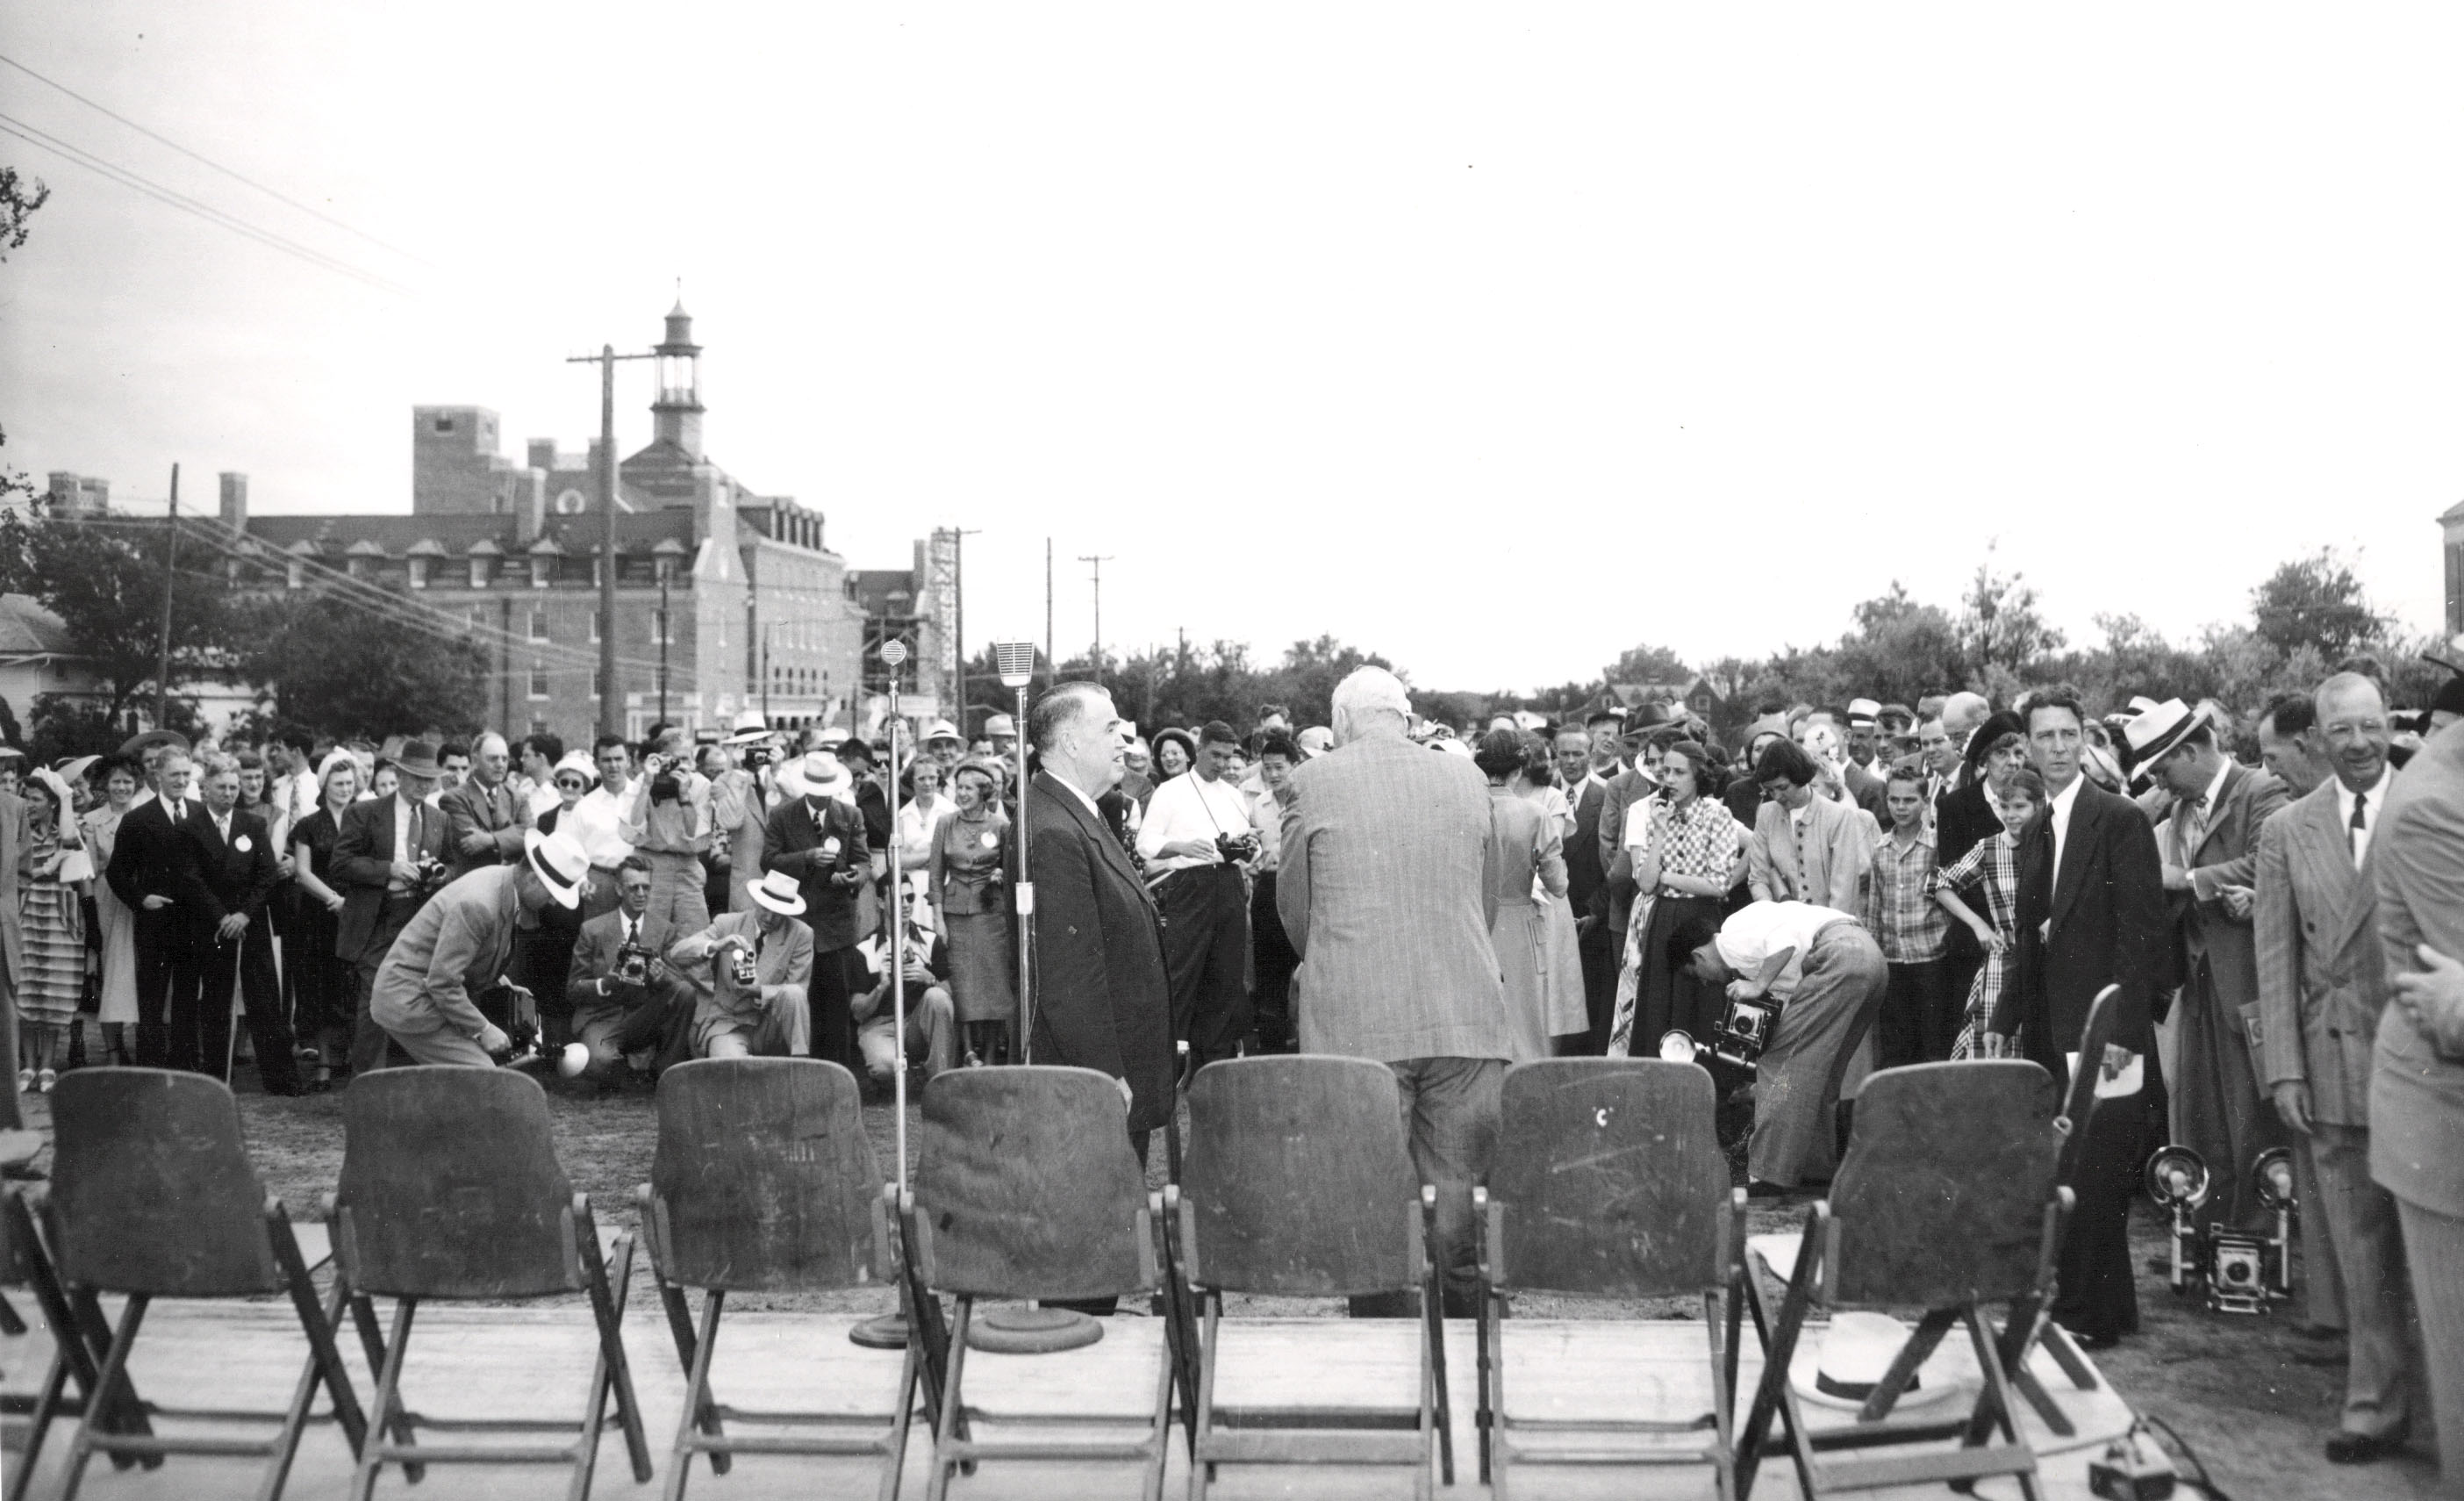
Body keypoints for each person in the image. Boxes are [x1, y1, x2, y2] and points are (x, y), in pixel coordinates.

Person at [1276, 666, 1507, 1318]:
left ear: (1342, 722)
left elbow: (1296, 910)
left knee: (1370, 1210)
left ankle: (1384, 1371)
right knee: (1459, 1212)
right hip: (1464, 1016)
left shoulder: (1312, 779)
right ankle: (1468, 1370)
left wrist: (1339, 963)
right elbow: (1482, 905)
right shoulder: (1468, 776)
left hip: (1355, 1023)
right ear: (1405, 718)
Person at [2256, 672, 2420, 1466]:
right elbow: (2276, 956)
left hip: (2427, 1057)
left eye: (2371, 726)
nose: (2358, 744)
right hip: (2333, 1059)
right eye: (2342, 731)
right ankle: (2374, 1402)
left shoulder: (2431, 807)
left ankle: (2437, 1399)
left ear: (2390, 726)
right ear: (2316, 738)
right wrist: (2284, 1067)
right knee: (2359, 1246)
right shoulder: (2288, 829)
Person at [1991, 685, 2167, 1349]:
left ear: (2085, 740)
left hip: (2106, 1032)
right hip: (2048, 1030)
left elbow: (2141, 935)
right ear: (2027, 745)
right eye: (2046, 738)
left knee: (2100, 1171)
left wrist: (2118, 1038)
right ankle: (2101, 1306)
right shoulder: (2038, 825)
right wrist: (2009, 1013)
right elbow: (2028, 933)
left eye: (2069, 735)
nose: (2059, 748)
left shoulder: (2117, 819)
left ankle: (2091, 1313)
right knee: (2069, 1169)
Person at [2131, 697, 2292, 1231]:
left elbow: (2267, 861)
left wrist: (2189, 880)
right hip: (2197, 984)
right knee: (2201, 1113)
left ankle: (2262, 1232)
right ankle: (2213, 1228)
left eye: (2163, 768)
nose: (2161, 781)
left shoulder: (2261, 792)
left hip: (2247, 982)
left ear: (2194, 750)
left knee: (2252, 1111)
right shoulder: (2177, 809)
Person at [1023, 681, 1174, 1194]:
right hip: (1099, 1081)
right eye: (1110, 728)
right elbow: (1070, 974)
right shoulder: (1053, 828)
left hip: (1115, 1069)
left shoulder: (1079, 812)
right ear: (1068, 741)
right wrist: (1105, 1075)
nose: (1125, 743)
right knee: (1099, 1219)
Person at [1671, 898, 1887, 1195]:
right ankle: (1815, 1166)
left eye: (1696, 976)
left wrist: (1758, 985)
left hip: (1839, 955)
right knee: (1821, 1068)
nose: (1706, 984)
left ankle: (1766, 1174)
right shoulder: (1752, 946)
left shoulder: (1731, 935)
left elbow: (1785, 942)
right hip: (1870, 958)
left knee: (1778, 1062)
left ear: (1698, 957)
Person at [370, 829, 585, 1066]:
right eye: (553, 893)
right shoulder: (479, 903)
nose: (553, 902)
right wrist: (483, 1029)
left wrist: (503, 983)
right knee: (483, 1077)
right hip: (409, 1001)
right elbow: (442, 983)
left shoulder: (504, 883)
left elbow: (471, 955)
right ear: (534, 879)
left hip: (426, 996)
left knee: (476, 1080)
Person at [1135, 720, 1263, 1067]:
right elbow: (1145, 844)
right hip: (1189, 887)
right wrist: (1181, 846)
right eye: (1215, 756)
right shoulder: (1171, 791)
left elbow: (1251, 852)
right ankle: (1170, 1063)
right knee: (1183, 974)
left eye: (1228, 757)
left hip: (1229, 886)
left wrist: (1250, 847)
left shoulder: (1234, 795)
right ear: (1199, 750)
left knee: (1226, 977)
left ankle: (1214, 1064)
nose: (1221, 764)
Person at [1609, 739, 1744, 1059]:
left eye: (1678, 772)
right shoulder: (1653, 813)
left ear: (1698, 776)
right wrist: (1658, 831)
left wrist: (1666, 878)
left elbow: (1719, 884)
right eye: (1665, 771)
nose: (1668, 778)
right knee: (1658, 1004)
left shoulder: (1718, 815)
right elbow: (1644, 883)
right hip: (1662, 919)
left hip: (1700, 921)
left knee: (1699, 1005)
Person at [331, 740, 453, 1076]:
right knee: (374, 1000)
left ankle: (414, 1081)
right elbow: (340, 864)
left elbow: (455, 866)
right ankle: (368, 1083)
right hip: (378, 919)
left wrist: (436, 875)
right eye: (416, 778)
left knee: (420, 998)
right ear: (398, 774)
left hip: (421, 919)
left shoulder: (439, 819)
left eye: (429, 780)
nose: (423, 786)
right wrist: (389, 870)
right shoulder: (366, 813)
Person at [188, 755, 300, 1095]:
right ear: (205, 788)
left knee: (265, 997)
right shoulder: (192, 828)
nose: (228, 793)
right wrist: (223, 916)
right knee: (216, 1000)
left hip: (250, 923)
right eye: (221, 787)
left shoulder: (252, 824)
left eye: (234, 787)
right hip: (213, 925)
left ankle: (280, 1078)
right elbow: (191, 878)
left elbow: (267, 876)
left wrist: (245, 914)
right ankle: (216, 1077)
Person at [761, 750, 870, 1071]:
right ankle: (801, 1073)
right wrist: (806, 857)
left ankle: (838, 1078)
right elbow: (767, 861)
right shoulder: (783, 815)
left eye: (828, 793)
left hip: (836, 927)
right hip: (796, 921)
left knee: (836, 1007)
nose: (823, 800)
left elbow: (863, 861)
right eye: (817, 794)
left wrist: (853, 877)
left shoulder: (851, 815)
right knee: (799, 1002)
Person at [104, 745, 210, 1070]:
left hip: (192, 922)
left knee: (188, 996)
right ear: (158, 775)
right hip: (155, 923)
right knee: (151, 997)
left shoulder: (200, 813)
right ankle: (150, 1065)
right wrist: (141, 900)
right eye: (174, 774)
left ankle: (184, 1064)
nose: (181, 780)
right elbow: (116, 873)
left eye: (185, 774)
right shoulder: (138, 819)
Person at [1931, 765, 2040, 1059]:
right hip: (2003, 966)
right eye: (2004, 807)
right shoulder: (1991, 848)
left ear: (2039, 806)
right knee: (1994, 1056)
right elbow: (1939, 882)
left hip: (2044, 965)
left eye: (2020, 806)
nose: (2011, 815)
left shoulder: (2052, 845)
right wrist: (1978, 924)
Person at [1475, 729, 1566, 1065]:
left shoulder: (1469, 810)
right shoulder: (1535, 814)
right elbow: (1558, 885)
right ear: (1518, 771)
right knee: (1524, 1019)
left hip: (1475, 924)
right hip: (1519, 925)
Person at [563, 854, 696, 1083]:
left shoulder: (664, 930)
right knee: (598, 1063)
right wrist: (604, 984)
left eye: (646, 887)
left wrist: (661, 976)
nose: (641, 894)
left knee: (685, 991)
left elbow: (679, 984)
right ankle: (622, 1067)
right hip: (603, 1018)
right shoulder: (592, 930)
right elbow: (573, 990)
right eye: (634, 888)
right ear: (618, 889)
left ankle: (666, 1075)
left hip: (643, 1018)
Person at [1866, 761, 1954, 1067]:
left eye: (1909, 800)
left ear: (1925, 802)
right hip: (1893, 960)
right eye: (1894, 800)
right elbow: (1875, 906)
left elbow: (1949, 901)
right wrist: (1875, 954)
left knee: (1933, 1042)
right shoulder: (1880, 848)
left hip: (1931, 959)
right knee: (1896, 1044)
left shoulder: (1937, 845)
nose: (1901, 807)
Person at [928, 758, 1016, 1064]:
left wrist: (999, 875)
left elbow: (1012, 869)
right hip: (954, 913)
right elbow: (936, 875)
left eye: (968, 788)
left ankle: (991, 1054)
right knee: (963, 984)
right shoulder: (945, 823)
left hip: (991, 915)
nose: (961, 793)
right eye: (959, 787)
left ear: (984, 793)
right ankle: (967, 1051)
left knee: (993, 986)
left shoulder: (1001, 826)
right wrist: (938, 918)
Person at [286, 753, 361, 1088]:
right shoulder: (308, 825)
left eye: (349, 783)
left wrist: (350, 902)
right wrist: (333, 898)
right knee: (321, 988)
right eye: (338, 783)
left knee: (353, 987)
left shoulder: (365, 820)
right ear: (325, 785)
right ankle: (325, 1066)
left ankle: (354, 1059)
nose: (345, 788)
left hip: (357, 912)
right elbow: (301, 872)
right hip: (319, 914)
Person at [13, 769, 87, 1093]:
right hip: (27, 910)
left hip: (60, 916)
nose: (29, 804)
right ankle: (28, 1064)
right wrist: (45, 867)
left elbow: (71, 842)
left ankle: (47, 1065)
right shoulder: (18, 831)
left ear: (51, 803)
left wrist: (67, 796)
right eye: (27, 797)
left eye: (36, 798)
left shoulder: (65, 829)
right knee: (27, 988)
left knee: (54, 991)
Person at [1746, 737, 1873, 911]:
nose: (1777, 796)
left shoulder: (1840, 816)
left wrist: (1825, 929)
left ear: (1801, 777)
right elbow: (1758, 877)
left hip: (1831, 923)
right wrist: (1770, 913)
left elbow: (1843, 891)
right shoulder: (1766, 813)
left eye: (1783, 788)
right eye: (1770, 790)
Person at [1557, 724, 1616, 1052]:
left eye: (1577, 753)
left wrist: (1596, 911)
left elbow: (1616, 861)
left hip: (1590, 921)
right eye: (1563, 753)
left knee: (1587, 1006)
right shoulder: (1540, 793)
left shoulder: (1607, 795)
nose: (1570, 761)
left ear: (1591, 754)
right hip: (1549, 916)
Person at [618, 728, 713, 934]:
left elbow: (696, 835)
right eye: (674, 759)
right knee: (648, 934)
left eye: (686, 759)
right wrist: (647, 785)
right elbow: (632, 826)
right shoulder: (644, 780)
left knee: (694, 935)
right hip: (651, 863)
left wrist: (685, 796)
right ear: (661, 759)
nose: (680, 766)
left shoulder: (700, 784)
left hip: (686, 865)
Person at [80, 758, 143, 1066]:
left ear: (136, 785)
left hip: (142, 901)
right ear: (106, 784)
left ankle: (144, 1044)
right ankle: (113, 1050)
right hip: (108, 899)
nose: (122, 787)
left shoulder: (146, 816)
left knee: (141, 973)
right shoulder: (91, 821)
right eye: (116, 782)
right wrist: (91, 916)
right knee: (113, 973)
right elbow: (88, 873)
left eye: (127, 782)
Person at [849, 913, 958, 1089]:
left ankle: (940, 1084)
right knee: (886, 1066)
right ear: (881, 902)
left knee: (937, 996)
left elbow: (948, 996)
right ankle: (912, 1077)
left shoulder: (929, 939)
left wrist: (930, 979)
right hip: (880, 1026)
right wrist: (881, 987)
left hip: (916, 1025)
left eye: (910, 897)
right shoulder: (865, 948)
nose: (906, 904)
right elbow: (858, 1013)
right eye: (900, 898)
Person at [1248, 730, 1305, 1053]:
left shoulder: (1306, 801)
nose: (1272, 774)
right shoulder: (1259, 804)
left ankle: (1304, 1048)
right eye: (1267, 767)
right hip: (1268, 893)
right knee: (1269, 976)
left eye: (1279, 767)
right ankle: (1271, 1052)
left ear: (1294, 766)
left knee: (1302, 975)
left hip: (1298, 890)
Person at [439, 731, 531, 881]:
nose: (500, 764)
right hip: (473, 884)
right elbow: (470, 844)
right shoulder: (453, 798)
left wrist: (490, 839)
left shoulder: (518, 797)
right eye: (493, 758)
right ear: (475, 761)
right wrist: (512, 841)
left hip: (510, 885)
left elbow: (531, 833)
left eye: (505, 759)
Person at [568, 736, 638, 920]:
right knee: (600, 942)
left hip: (637, 881)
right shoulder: (584, 806)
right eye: (606, 760)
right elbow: (573, 852)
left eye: (618, 759)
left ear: (629, 762)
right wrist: (582, 881)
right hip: (600, 883)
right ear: (596, 764)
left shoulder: (642, 797)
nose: (613, 765)